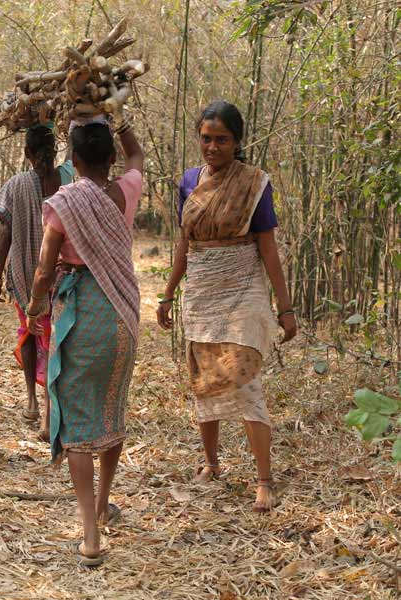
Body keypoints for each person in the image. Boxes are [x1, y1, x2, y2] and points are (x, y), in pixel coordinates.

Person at [156, 100, 297, 513]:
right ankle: (212, 464)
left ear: (237, 142)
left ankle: (264, 479)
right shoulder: (188, 181)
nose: (212, 147)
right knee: (205, 379)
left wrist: (284, 309)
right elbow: (184, 242)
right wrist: (168, 293)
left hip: (243, 289)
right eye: (206, 139)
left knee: (244, 379)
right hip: (201, 290)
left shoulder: (254, 183)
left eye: (222, 140)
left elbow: (267, 247)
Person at [25, 112, 143, 566]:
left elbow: (42, 269)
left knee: (76, 421)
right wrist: (118, 115)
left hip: (80, 316)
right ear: (110, 158)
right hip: (121, 317)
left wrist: (37, 306)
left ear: (72, 158)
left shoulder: (63, 202)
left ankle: (91, 534)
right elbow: (138, 155)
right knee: (110, 408)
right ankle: (102, 504)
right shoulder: (125, 190)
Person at [0, 124, 74, 440]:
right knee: (55, 338)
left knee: (28, 333)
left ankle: (32, 400)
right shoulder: (66, 181)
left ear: (27, 152)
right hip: (61, 273)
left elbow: (6, 232)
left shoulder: (16, 185)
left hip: (25, 274)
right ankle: (52, 403)